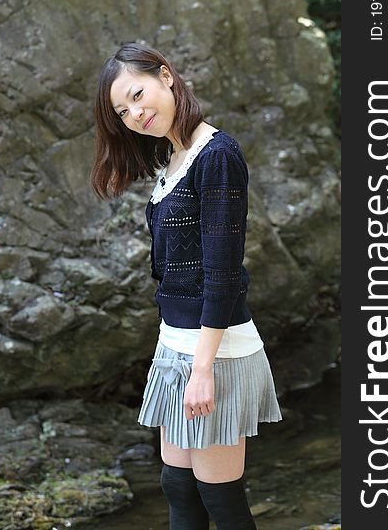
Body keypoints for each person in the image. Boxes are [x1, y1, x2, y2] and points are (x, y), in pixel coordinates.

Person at [90, 42, 282, 529]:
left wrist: (202, 369)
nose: (135, 112)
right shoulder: (170, 159)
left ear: (166, 76)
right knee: (178, 487)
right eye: (122, 109)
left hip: (214, 353)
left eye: (138, 94)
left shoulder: (217, 154)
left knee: (220, 498)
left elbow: (222, 272)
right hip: (176, 345)